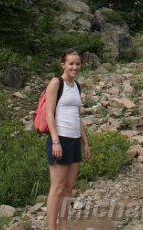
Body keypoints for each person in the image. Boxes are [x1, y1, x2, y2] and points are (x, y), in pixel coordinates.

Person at [45, 49, 90, 230]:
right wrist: (55, 140)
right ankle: (52, 227)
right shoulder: (56, 83)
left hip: (74, 140)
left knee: (69, 187)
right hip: (60, 140)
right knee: (58, 186)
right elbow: (49, 113)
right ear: (62, 64)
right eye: (71, 63)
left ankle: (63, 225)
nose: (75, 67)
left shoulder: (76, 86)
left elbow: (77, 116)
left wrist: (85, 142)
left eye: (77, 64)